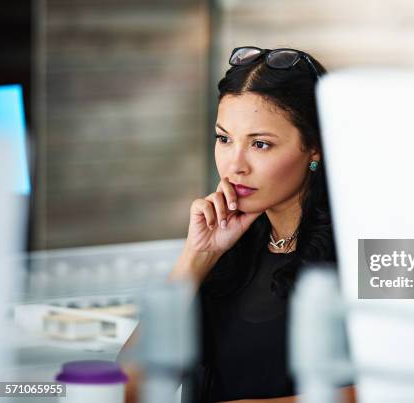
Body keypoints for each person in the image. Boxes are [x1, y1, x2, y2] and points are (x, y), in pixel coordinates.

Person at [120, 46, 356, 403]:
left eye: (260, 144)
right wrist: (196, 259)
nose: (234, 165)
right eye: (224, 139)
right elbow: (127, 391)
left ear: (315, 147)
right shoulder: (226, 246)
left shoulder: (374, 242)